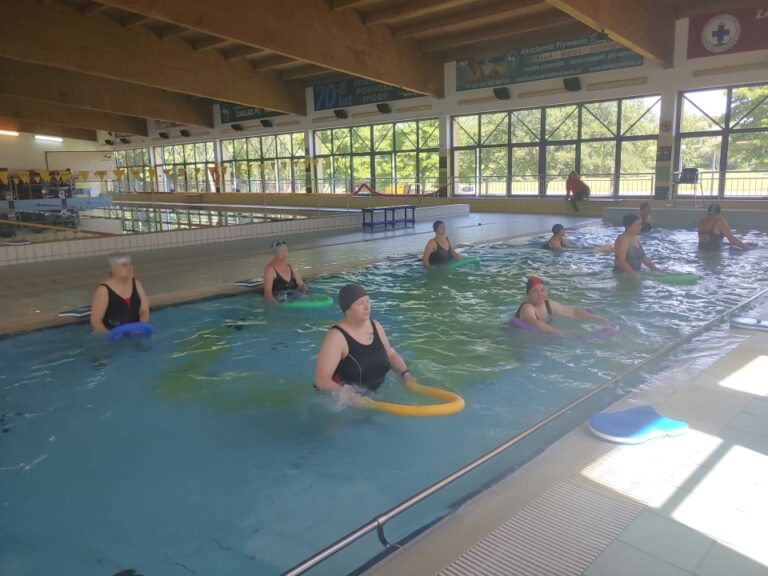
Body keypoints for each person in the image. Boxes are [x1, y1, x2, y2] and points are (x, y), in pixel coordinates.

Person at [315, 284, 414, 399]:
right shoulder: (336, 337)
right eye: (360, 303)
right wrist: (350, 396)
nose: (367, 307)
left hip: (374, 393)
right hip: (340, 402)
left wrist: (406, 374)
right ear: (347, 310)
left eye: (367, 301)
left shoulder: (376, 326)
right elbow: (322, 380)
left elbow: (390, 354)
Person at [515, 276, 608, 336]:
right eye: (535, 291)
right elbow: (534, 322)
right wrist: (558, 333)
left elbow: (573, 312)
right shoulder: (527, 308)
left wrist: (597, 318)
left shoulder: (549, 304)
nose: (540, 294)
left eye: (542, 290)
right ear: (528, 294)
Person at [90, 254, 150, 335]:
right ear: (113, 269)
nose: (130, 268)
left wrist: (140, 327)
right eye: (124, 265)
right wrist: (110, 335)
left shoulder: (136, 284)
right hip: (110, 334)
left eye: (130, 264)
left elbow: (144, 311)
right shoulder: (103, 290)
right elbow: (96, 321)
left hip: (134, 332)